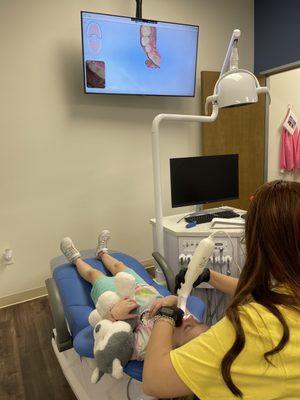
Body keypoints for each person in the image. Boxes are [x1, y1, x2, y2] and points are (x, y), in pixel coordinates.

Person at [143, 180, 300, 399]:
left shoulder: (252, 328)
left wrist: (165, 315)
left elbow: (154, 381)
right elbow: (272, 297)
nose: (188, 319)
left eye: (191, 326)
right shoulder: (290, 293)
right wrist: (210, 276)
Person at [60, 231, 208, 360]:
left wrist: (113, 315)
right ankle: (102, 252)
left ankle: (75, 259)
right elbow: (176, 300)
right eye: (197, 322)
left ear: (174, 349)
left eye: (188, 327)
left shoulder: (145, 346)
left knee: (95, 275)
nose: (187, 318)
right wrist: (167, 300)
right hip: (142, 288)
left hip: (117, 299)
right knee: (119, 267)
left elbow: (109, 340)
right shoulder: (187, 318)